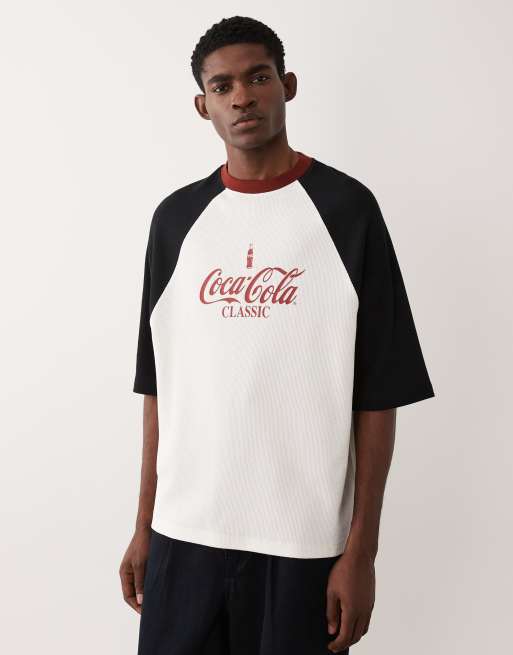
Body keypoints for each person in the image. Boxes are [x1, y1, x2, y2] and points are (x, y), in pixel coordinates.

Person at [119, 15, 435, 655]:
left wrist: (361, 552)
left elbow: (379, 394)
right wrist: (144, 523)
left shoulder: (348, 210)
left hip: (303, 546)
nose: (242, 97)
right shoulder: (176, 221)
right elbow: (159, 387)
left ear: (287, 85)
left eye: (258, 78)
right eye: (223, 85)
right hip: (184, 537)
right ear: (202, 104)